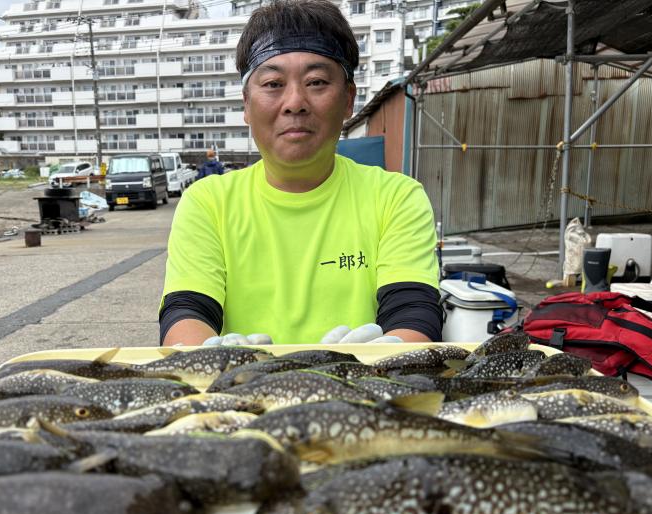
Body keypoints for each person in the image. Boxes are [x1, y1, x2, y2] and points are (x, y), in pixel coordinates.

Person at [159, 0, 441, 346]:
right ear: (246, 104)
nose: (295, 102)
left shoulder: (396, 197)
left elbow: (413, 312)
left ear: (348, 98)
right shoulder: (208, 201)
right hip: (238, 390)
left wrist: (377, 362)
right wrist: (208, 358)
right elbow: (186, 311)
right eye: (273, 83)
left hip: (362, 392)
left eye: (317, 81)